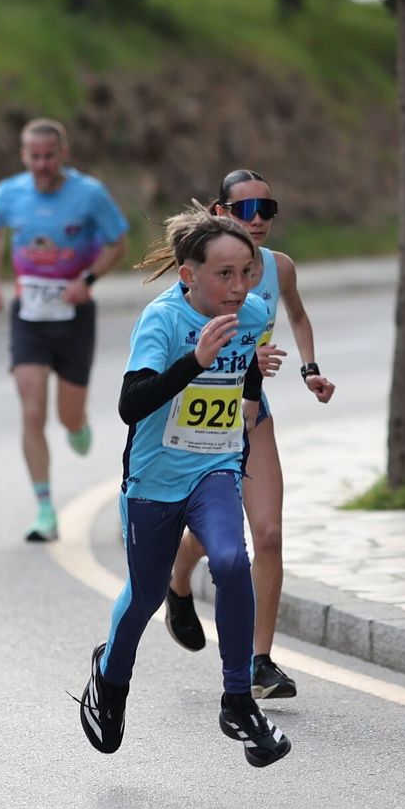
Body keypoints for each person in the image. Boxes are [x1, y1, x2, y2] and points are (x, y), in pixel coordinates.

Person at [77, 202, 291, 768]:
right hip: (154, 479)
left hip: (215, 467)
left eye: (247, 272)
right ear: (188, 276)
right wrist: (195, 361)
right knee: (145, 595)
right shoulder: (162, 320)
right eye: (224, 274)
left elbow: (240, 361)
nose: (240, 286)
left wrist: (250, 377)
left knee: (229, 558)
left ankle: (238, 700)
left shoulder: (251, 311)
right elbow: (131, 404)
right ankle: (111, 679)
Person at [163, 170, 335, 700]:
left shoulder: (278, 268)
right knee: (218, 534)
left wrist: (309, 369)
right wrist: (236, 357)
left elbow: (299, 316)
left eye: (267, 208)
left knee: (269, 535)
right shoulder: (201, 275)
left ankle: (260, 662)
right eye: (245, 209)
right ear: (221, 212)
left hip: (252, 415)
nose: (257, 218)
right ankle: (178, 577)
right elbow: (180, 342)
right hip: (203, 419)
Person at [0, 118, 129, 543]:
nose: (42, 165)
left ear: (63, 155)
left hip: (73, 315)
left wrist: (89, 280)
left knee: (67, 416)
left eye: (50, 156)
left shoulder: (89, 194)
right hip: (27, 314)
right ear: (23, 156)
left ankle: (77, 424)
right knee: (31, 410)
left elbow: (118, 243)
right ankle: (45, 509)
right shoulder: (8, 193)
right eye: (34, 157)